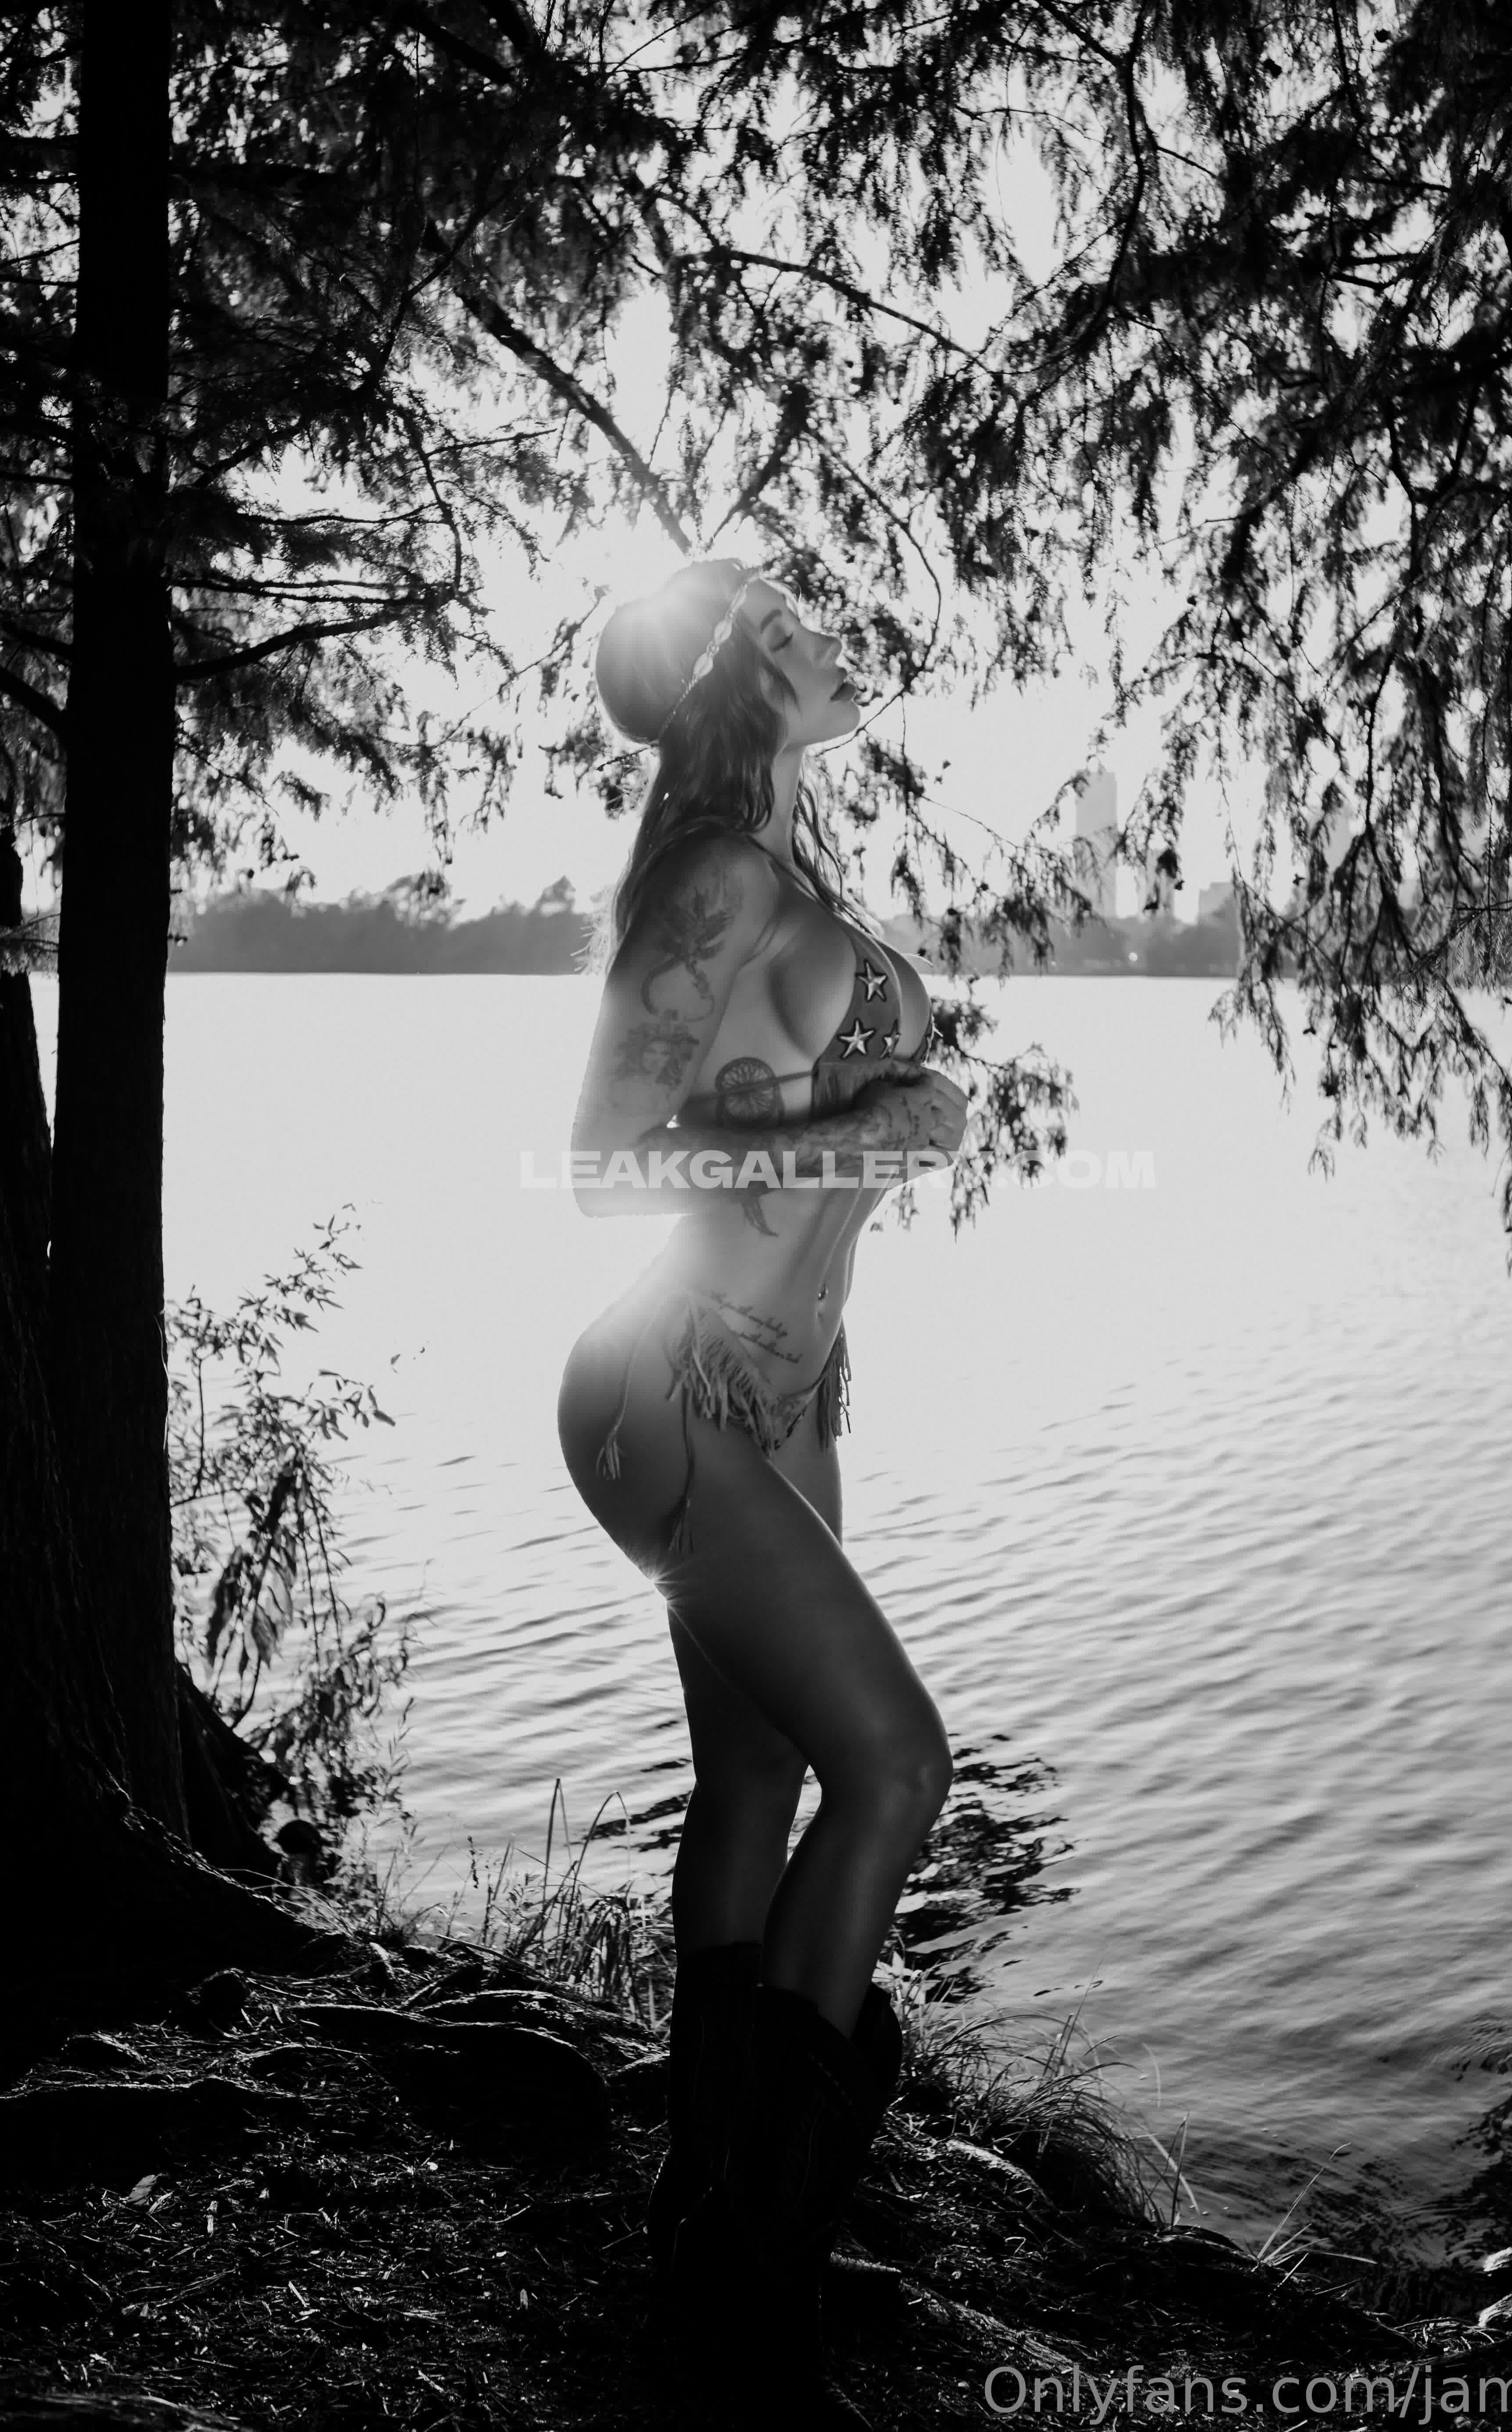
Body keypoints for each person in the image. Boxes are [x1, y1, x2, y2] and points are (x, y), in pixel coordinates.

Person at [556, 556, 969, 2425]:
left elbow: (799, 1105)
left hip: (785, 1390)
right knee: (897, 1767)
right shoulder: (719, 873)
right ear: (741, 672)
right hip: (674, 1380)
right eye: (800, 619)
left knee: (759, 1783)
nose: (840, 629)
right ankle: (751, 2289)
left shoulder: (792, 867)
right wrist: (867, 1119)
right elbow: (604, 1162)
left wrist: (889, 1118)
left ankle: (710, 2205)